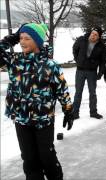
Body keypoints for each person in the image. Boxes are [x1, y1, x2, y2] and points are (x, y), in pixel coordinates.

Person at [0, 23, 74, 180]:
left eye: (27, 38)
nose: (22, 41)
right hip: (21, 119)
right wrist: (12, 38)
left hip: (43, 120)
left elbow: (62, 89)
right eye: (20, 38)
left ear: (38, 41)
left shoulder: (50, 65)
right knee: (29, 160)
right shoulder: (15, 61)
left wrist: (68, 110)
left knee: (47, 157)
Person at [72, 26, 106, 119]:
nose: (93, 36)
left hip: (92, 72)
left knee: (93, 93)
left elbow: (103, 61)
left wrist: (100, 73)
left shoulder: (102, 46)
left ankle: (93, 112)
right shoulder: (82, 39)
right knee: (78, 92)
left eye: (96, 35)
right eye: (92, 33)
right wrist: (78, 60)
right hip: (80, 70)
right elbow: (74, 49)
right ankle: (75, 113)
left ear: (99, 36)